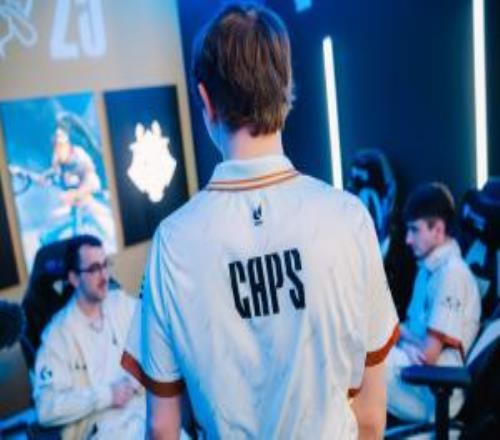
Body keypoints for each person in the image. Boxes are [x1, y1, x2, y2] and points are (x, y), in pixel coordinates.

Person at [122, 3, 399, 439]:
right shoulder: (350, 220)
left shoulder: (171, 243)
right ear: (286, 88)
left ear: (205, 100)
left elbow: (162, 427)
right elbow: (370, 415)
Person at [33, 235, 145, 439]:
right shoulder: (58, 335)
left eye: (105, 265)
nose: (104, 275)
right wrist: (106, 395)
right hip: (103, 429)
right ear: (74, 278)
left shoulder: (121, 304)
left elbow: (157, 341)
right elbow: (46, 408)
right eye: (94, 269)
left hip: (145, 415)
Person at [386, 183, 481, 422]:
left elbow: (428, 354)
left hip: (435, 389)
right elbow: (413, 336)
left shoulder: (452, 275)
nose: (408, 239)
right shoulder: (429, 268)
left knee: (359, 360)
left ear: (438, 230)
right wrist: (402, 338)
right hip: (419, 373)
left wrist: (399, 334)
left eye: (414, 230)